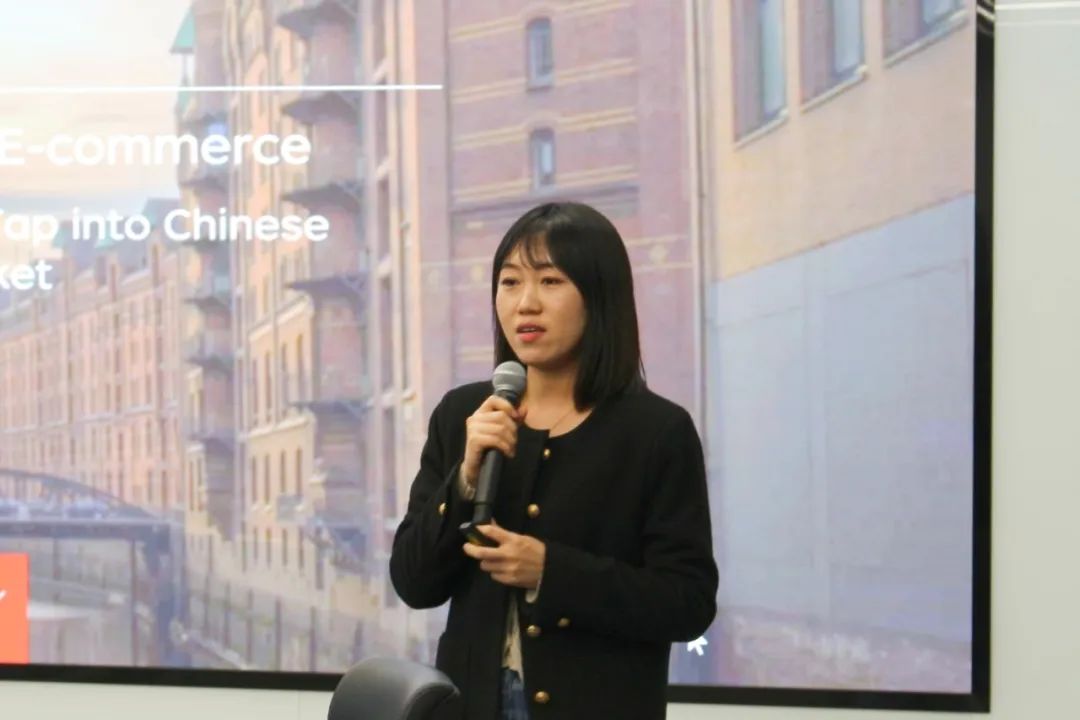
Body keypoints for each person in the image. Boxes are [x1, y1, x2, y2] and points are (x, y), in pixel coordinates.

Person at [389, 201, 718, 719]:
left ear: (599, 296)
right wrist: (465, 479)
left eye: (550, 282)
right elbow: (413, 582)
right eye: (510, 282)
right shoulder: (464, 414)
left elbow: (687, 603)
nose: (526, 304)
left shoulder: (656, 431)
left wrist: (551, 571)